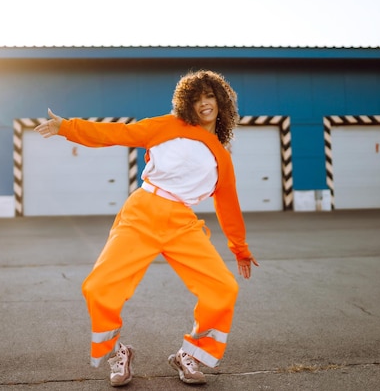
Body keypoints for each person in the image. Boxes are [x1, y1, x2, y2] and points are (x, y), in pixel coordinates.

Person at [34, 69, 259, 387]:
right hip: (142, 212)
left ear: (221, 102)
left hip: (182, 223)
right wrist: (66, 128)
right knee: (98, 288)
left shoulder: (221, 156)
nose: (204, 103)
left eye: (210, 96)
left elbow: (228, 205)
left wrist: (240, 248)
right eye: (196, 99)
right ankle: (118, 352)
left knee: (223, 289)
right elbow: (118, 134)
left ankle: (190, 355)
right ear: (187, 105)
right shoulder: (169, 126)